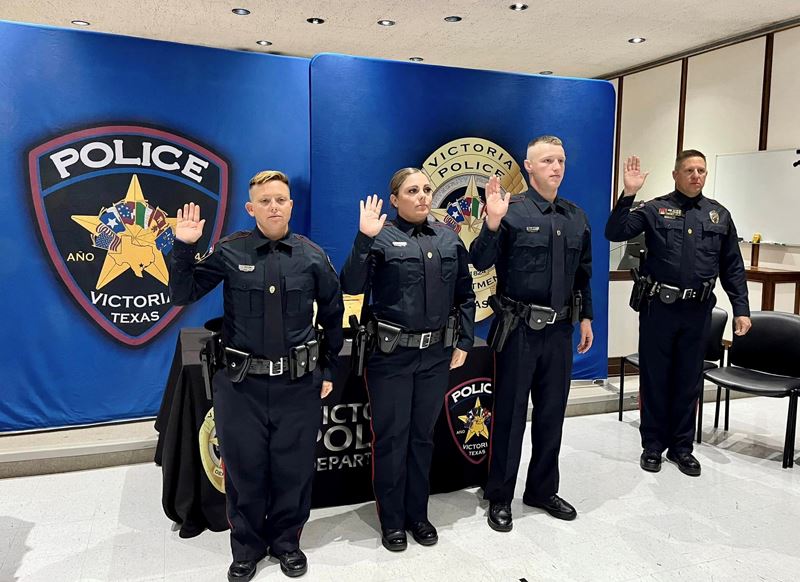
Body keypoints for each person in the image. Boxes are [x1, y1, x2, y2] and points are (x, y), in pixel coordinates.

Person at [168, 170, 344, 581]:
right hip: (240, 384)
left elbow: (334, 316)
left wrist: (331, 368)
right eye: (264, 201)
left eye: (280, 199)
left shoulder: (312, 256)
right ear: (251, 208)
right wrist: (183, 247)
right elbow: (182, 293)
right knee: (244, 470)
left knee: (294, 469)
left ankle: (286, 543)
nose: (273, 206)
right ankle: (245, 548)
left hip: (298, 384)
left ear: (291, 205)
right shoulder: (230, 251)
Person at [339, 167, 475, 552]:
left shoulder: (449, 239)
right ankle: (393, 520)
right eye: (412, 191)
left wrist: (464, 339)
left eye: (427, 189)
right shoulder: (379, 237)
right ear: (395, 199)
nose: (422, 196)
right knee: (392, 439)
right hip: (390, 357)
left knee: (421, 438)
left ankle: (418, 515)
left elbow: (465, 295)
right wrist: (363, 239)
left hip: (435, 356)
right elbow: (349, 285)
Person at [470, 135, 594, 531]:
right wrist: (490, 222)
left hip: (559, 332)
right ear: (529, 166)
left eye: (560, 160)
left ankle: (541, 490)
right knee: (508, 417)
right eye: (547, 161)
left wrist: (586, 318)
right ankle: (499, 495)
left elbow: (583, 275)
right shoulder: (510, 211)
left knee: (551, 415)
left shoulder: (576, 216)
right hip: (519, 329)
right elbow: (480, 259)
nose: (556, 167)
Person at [605, 152, 751, 477]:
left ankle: (682, 448)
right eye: (689, 170)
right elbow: (614, 232)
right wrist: (628, 194)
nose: (696, 175)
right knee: (656, 378)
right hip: (660, 309)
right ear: (675, 174)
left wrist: (741, 308)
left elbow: (732, 266)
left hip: (698, 312)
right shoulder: (655, 209)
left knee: (688, 381)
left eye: (701, 170)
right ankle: (653, 446)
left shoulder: (718, 215)